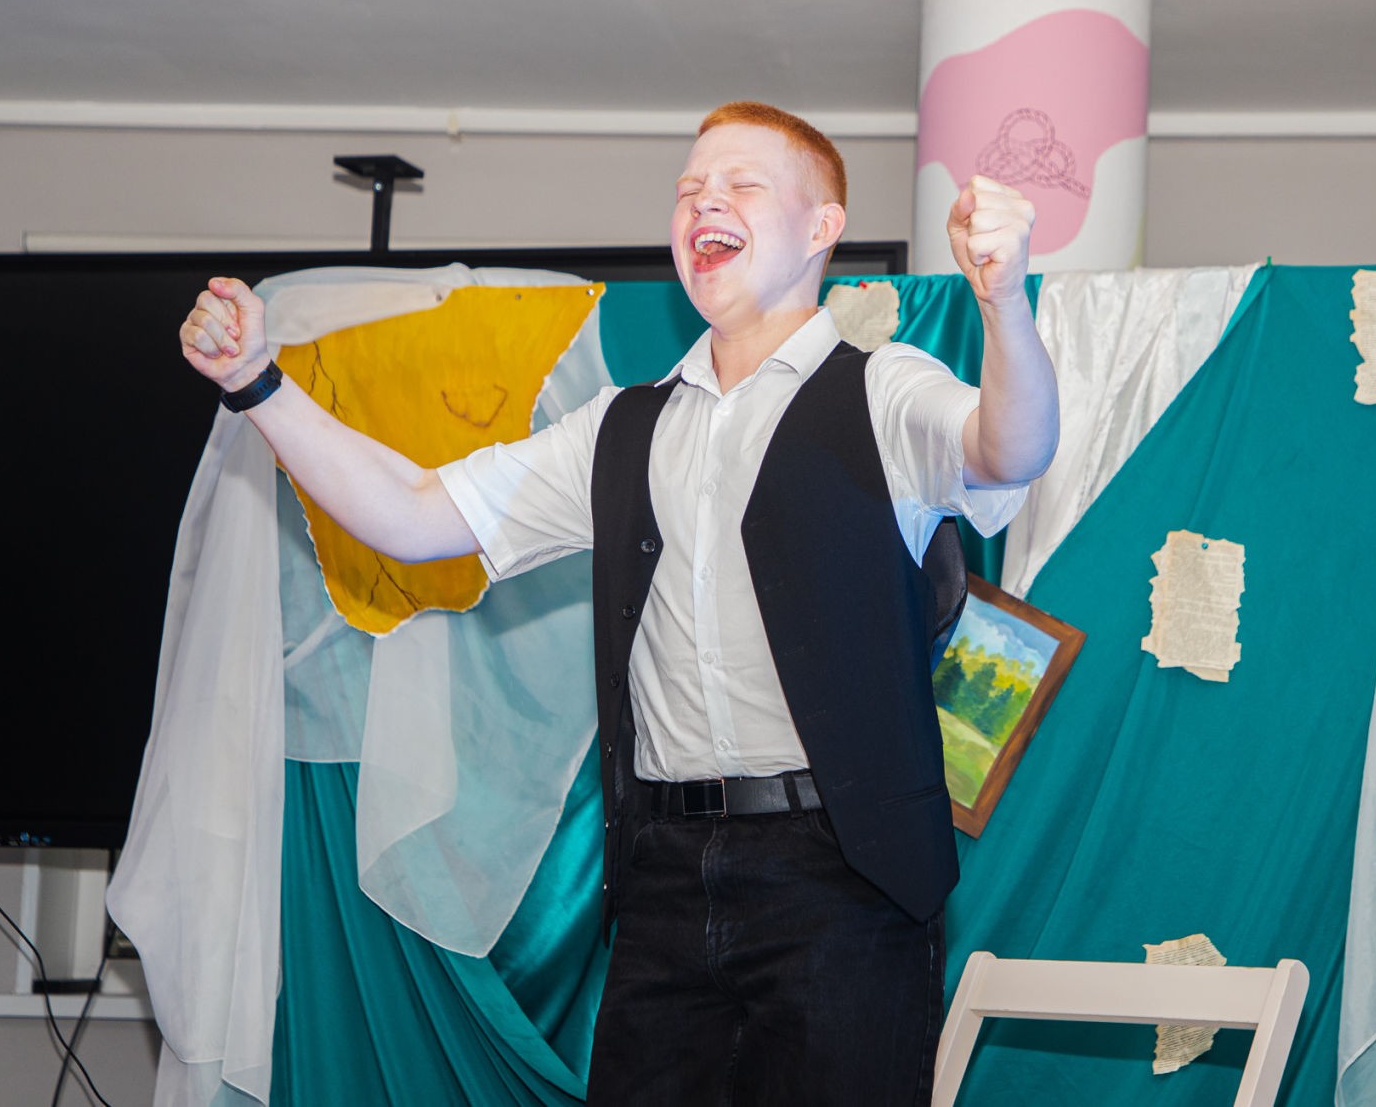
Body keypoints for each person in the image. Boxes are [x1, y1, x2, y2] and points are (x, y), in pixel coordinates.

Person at [180, 100, 1058, 1106]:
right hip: (663, 875)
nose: (704, 202)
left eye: (740, 184)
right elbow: (416, 514)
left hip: (845, 873)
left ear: (822, 227)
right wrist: (257, 384)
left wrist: (1004, 303)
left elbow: (1010, 448)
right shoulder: (619, 429)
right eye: (689, 189)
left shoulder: (884, 388)